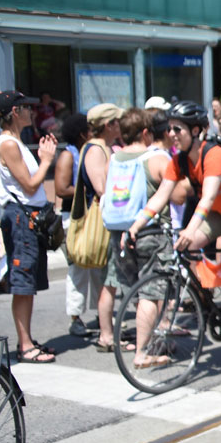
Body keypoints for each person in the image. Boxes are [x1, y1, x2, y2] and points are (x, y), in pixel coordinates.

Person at [127, 101, 221, 344]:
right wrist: (135, 226)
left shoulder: (213, 155)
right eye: (169, 129)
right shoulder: (180, 160)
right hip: (220, 213)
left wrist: (190, 228)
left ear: (195, 130)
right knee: (187, 245)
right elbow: (161, 195)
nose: (171, 134)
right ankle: (205, 299)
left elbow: (207, 197)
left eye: (177, 129)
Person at [106, 108, 175, 370]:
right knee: (151, 293)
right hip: (150, 231)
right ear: (146, 132)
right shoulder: (156, 159)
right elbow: (178, 193)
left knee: (136, 290)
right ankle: (142, 352)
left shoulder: (114, 159)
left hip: (119, 232)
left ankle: (146, 340)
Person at [0, 91, 58, 362]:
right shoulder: (8, 144)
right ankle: (25, 345)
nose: (31, 112)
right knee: (22, 282)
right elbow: (30, 185)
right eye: (26, 107)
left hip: (28, 217)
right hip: (21, 218)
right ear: (14, 112)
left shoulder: (16, 142)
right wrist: (46, 160)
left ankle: (28, 340)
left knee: (28, 281)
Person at [79, 103, 127, 352]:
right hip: (104, 222)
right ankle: (106, 335)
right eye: (119, 121)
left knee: (110, 280)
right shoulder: (96, 149)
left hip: (109, 220)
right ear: (109, 125)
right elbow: (101, 189)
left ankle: (108, 331)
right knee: (109, 280)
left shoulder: (102, 147)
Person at [55, 112, 94, 338]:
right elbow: (61, 189)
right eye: (89, 129)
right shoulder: (68, 155)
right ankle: (75, 317)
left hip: (91, 217)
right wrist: (89, 188)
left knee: (98, 266)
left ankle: (102, 314)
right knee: (78, 267)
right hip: (73, 218)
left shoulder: (89, 152)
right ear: (81, 134)